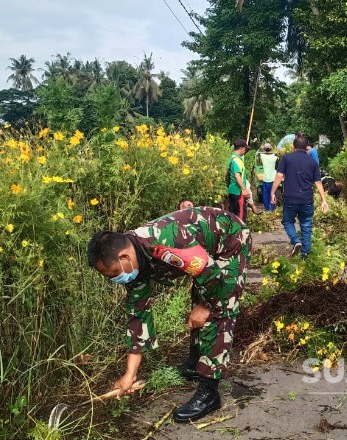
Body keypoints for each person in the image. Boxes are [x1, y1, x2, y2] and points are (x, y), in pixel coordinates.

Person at [87, 207, 252, 423]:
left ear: (124, 257)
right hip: (204, 259)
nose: (115, 280)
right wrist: (130, 374)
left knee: (217, 312)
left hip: (230, 242)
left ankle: (209, 392)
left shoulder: (165, 242)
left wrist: (206, 305)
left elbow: (211, 275)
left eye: (114, 275)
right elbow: (138, 316)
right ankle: (196, 362)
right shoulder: (134, 261)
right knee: (201, 306)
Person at [271, 137, 329, 258]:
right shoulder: (312, 162)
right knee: (306, 226)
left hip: (290, 198)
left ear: (294, 146)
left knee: (287, 221)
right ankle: (305, 255)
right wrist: (324, 200)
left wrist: (272, 192)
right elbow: (318, 182)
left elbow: (279, 175)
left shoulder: (286, 158)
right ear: (306, 148)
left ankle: (296, 241)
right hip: (307, 199)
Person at [226, 139, 250, 221]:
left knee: (233, 215)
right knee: (240, 215)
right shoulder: (236, 160)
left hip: (232, 190)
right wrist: (244, 190)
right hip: (238, 191)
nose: (245, 151)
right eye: (245, 149)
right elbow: (237, 176)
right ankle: (240, 232)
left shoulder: (231, 158)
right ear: (241, 148)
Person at [258, 144, 278, 211]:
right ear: (271, 149)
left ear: (265, 149)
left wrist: (262, 148)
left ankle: (267, 208)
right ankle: (272, 208)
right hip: (273, 178)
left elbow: (258, 152)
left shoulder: (262, 156)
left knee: (265, 194)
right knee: (272, 193)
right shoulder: (275, 157)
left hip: (266, 178)